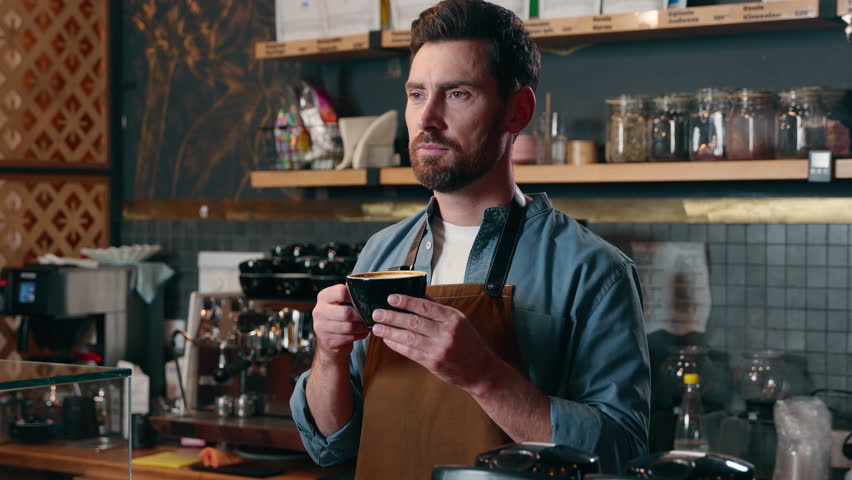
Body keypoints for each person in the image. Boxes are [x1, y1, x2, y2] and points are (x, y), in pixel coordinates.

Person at [290, 0, 650, 476]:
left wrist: (484, 376)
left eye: (457, 94)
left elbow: (622, 456)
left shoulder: (593, 271)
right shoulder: (382, 253)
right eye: (417, 94)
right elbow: (331, 444)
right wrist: (328, 356)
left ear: (517, 110)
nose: (428, 118)